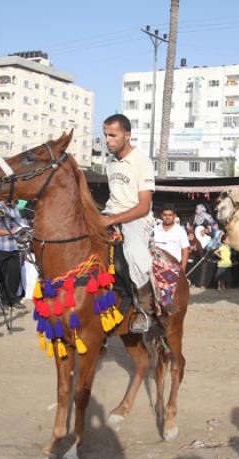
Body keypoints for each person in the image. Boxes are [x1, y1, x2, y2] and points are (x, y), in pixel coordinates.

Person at [100, 113, 156, 332]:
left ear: (127, 135)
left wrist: (112, 219)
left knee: (134, 253)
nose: (107, 140)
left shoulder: (142, 161)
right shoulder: (109, 162)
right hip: (111, 212)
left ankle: (144, 309)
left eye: (112, 135)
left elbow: (144, 206)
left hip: (137, 218)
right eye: (105, 135)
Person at [0, 199, 25, 309]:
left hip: (14, 247)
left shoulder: (15, 207)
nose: (14, 199)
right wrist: (10, 232)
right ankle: (1, 301)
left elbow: (19, 224)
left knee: (14, 275)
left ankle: (13, 300)